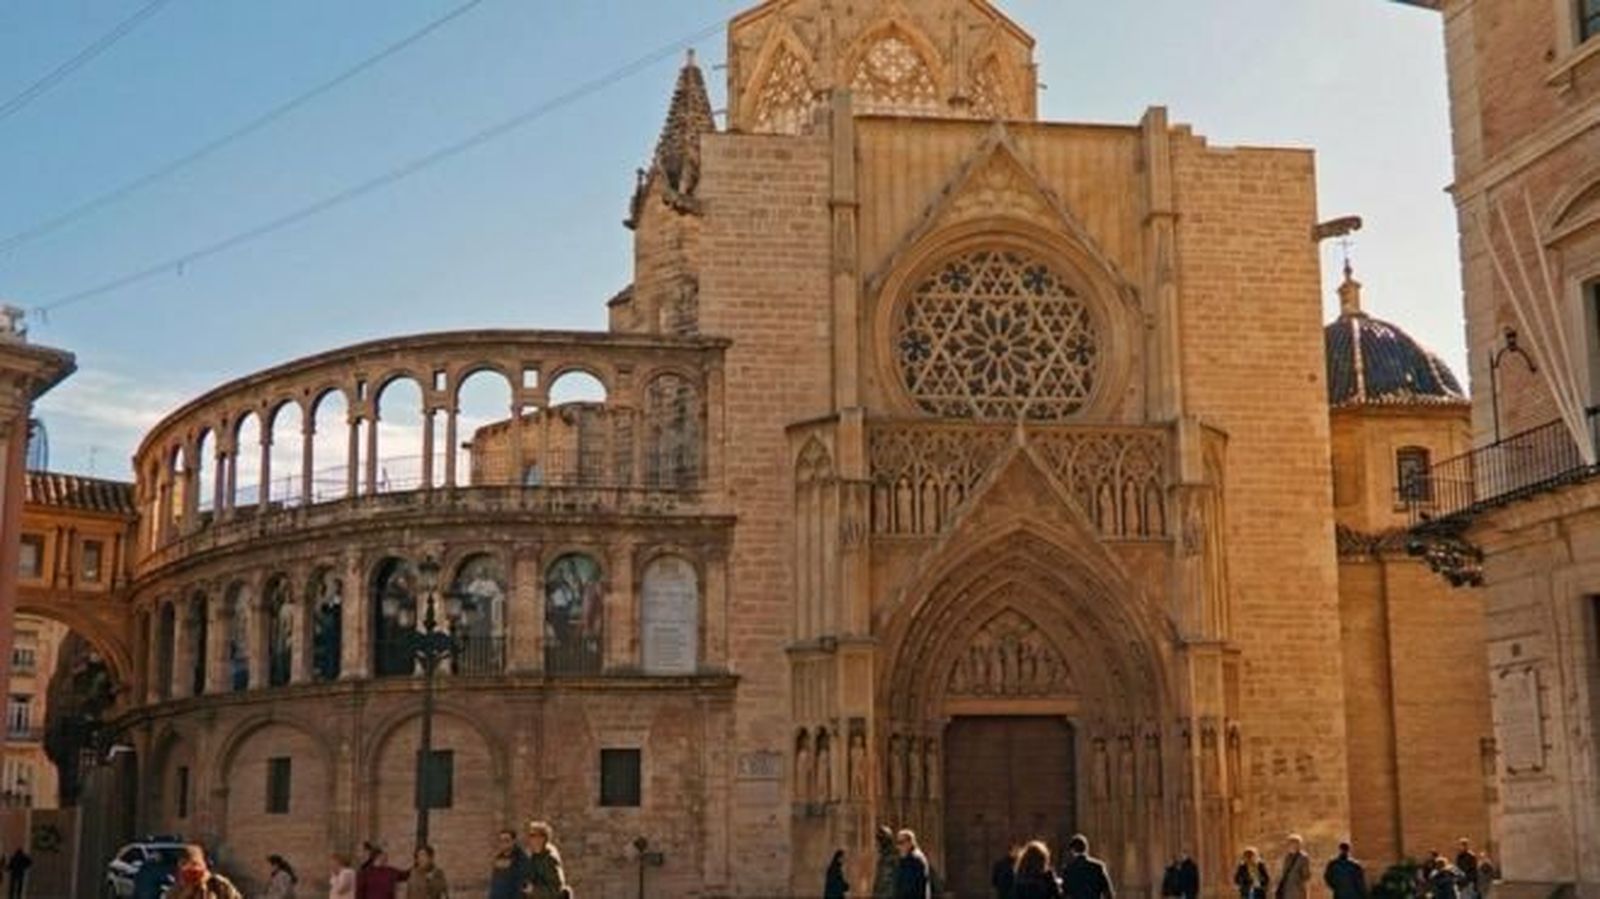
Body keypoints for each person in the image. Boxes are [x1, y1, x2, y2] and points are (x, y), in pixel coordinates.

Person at [167, 845, 242, 899]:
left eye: (195, 864)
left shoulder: (218, 885)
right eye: (184, 864)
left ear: (204, 864)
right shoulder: (175, 891)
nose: (191, 869)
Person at [523, 820, 568, 899]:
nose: (530, 839)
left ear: (542, 838)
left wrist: (534, 890)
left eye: (533, 835)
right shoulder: (533, 856)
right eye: (530, 836)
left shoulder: (550, 858)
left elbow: (557, 889)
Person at [892, 830, 931, 899]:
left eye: (901, 843)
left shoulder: (915, 860)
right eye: (897, 843)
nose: (898, 847)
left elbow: (913, 886)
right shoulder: (905, 859)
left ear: (910, 843)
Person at [490, 829, 529, 899]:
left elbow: (521, 883)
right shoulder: (499, 858)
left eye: (507, 840)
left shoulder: (520, 858)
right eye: (501, 841)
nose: (503, 843)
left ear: (513, 841)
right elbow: (495, 882)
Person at [873, 827, 898, 899]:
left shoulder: (894, 855)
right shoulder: (883, 856)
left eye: (880, 839)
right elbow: (879, 878)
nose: (877, 843)